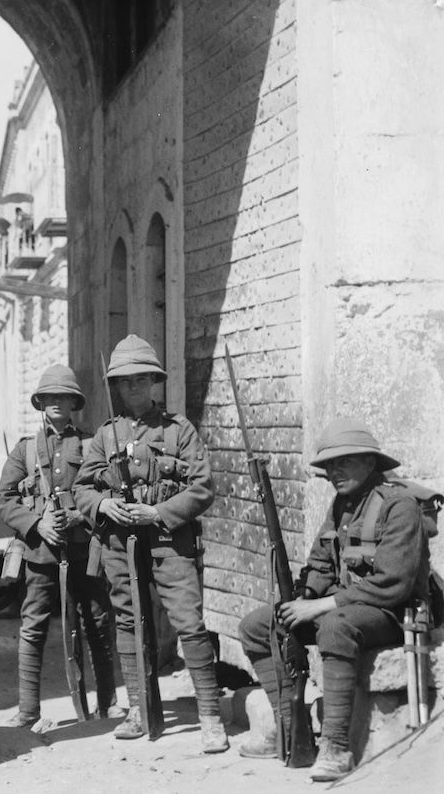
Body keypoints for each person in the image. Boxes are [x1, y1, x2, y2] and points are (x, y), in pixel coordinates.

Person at [237, 418, 431, 782]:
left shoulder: (399, 506)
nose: (334, 471)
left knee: (335, 627)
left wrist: (321, 606)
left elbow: (394, 583)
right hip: (346, 609)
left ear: (371, 463)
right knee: (256, 625)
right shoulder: (342, 504)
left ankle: (336, 747)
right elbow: (320, 564)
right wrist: (303, 596)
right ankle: (287, 727)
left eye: (344, 461)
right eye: (329, 464)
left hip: (390, 614)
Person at [73, 334, 228, 753]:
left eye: (141, 380)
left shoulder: (179, 431)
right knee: (127, 621)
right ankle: (138, 708)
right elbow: (81, 490)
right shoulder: (105, 436)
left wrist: (158, 513)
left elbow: (202, 489)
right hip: (120, 544)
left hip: (169, 540)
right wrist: (105, 505)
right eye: (125, 381)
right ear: (118, 387)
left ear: (154, 382)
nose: (133, 388)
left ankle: (211, 715)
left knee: (187, 621)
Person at [0, 364, 121, 728]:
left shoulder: (90, 443)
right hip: (40, 552)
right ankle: (28, 709)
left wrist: (82, 517)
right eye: (49, 397)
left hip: (83, 549)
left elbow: (107, 490)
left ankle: (108, 702)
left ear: (73, 403)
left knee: (97, 621)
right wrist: (37, 524)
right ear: (40, 402)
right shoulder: (25, 450)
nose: (55, 403)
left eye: (62, 397)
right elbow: (4, 500)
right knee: (33, 625)